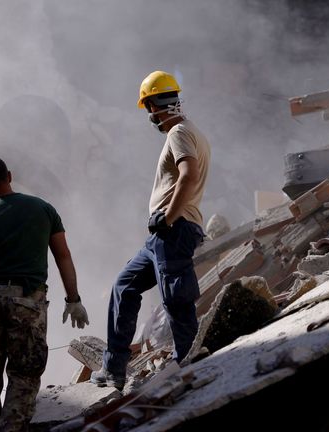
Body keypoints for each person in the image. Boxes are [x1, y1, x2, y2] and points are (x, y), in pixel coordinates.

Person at [0, 155, 89, 431]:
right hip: (28, 301)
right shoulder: (44, 209)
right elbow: (63, 256)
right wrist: (73, 300)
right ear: (9, 176)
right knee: (24, 375)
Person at [90, 71, 211, 390]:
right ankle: (114, 366)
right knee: (124, 286)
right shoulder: (191, 132)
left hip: (175, 228)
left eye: (149, 108)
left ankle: (189, 356)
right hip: (163, 235)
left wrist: (168, 217)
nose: (150, 116)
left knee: (175, 296)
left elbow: (189, 174)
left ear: (159, 104)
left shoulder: (180, 133)